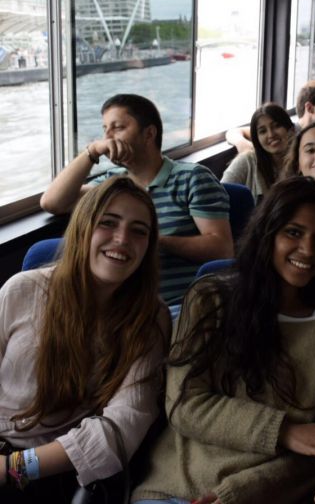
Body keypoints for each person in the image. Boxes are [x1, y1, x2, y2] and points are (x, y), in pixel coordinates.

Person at [132, 176, 315, 504]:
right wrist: (285, 431)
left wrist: (238, 493)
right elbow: (185, 404)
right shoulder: (210, 299)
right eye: (293, 233)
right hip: (176, 486)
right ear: (268, 234)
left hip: (262, 494)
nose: (308, 250)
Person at [0, 176, 170, 502]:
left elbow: (121, 429)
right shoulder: (21, 290)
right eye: (108, 223)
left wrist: (14, 468)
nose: (122, 239)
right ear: (83, 228)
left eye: (139, 231)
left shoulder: (148, 320)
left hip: (45, 470)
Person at [40, 94, 233, 308]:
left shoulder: (192, 178)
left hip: (179, 305)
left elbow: (221, 249)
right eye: (105, 130)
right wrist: (92, 152)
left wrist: (150, 239)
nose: (108, 138)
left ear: (149, 134)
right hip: (119, 307)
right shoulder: (112, 183)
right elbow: (52, 202)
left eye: (118, 128)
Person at [222, 103, 294, 202]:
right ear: (257, 139)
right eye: (263, 131)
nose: (271, 135)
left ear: (290, 129)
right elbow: (219, 196)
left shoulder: (304, 159)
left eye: (276, 126)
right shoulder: (247, 161)